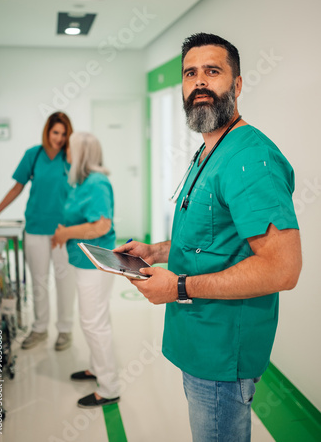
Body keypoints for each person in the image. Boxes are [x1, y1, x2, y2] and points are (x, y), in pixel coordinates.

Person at [114, 33, 302, 441]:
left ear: (235, 85)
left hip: (221, 352)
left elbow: (283, 269)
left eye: (212, 72)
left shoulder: (252, 159)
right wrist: (155, 251)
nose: (199, 82)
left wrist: (179, 285)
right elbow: (211, 235)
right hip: (199, 343)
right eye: (190, 73)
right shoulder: (209, 151)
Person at [0, 112, 76, 352]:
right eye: (55, 132)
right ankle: (39, 328)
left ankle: (65, 330)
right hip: (35, 228)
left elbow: (81, 189)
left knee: (64, 281)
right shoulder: (33, 155)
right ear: (47, 132)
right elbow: (17, 187)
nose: (59, 138)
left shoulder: (71, 156)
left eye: (63, 133)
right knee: (38, 281)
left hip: (63, 232)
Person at [52, 132, 120, 409]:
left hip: (95, 262)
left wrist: (65, 232)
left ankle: (109, 387)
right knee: (95, 318)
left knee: (93, 322)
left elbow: (101, 225)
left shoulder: (97, 182)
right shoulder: (81, 181)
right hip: (85, 261)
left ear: (81, 153)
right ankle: (96, 369)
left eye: (70, 148)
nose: (66, 151)